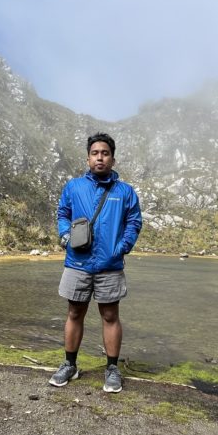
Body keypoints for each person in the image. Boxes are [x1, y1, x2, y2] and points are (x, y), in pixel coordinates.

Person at [51, 133, 142, 393]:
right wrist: (65, 235)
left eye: (105, 153)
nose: (99, 157)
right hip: (77, 262)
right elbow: (63, 213)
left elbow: (134, 222)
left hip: (110, 265)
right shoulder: (74, 186)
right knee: (74, 313)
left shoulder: (125, 192)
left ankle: (112, 369)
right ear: (88, 157)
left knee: (110, 315)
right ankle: (70, 365)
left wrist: (122, 247)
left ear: (112, 158)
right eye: (95, 153)